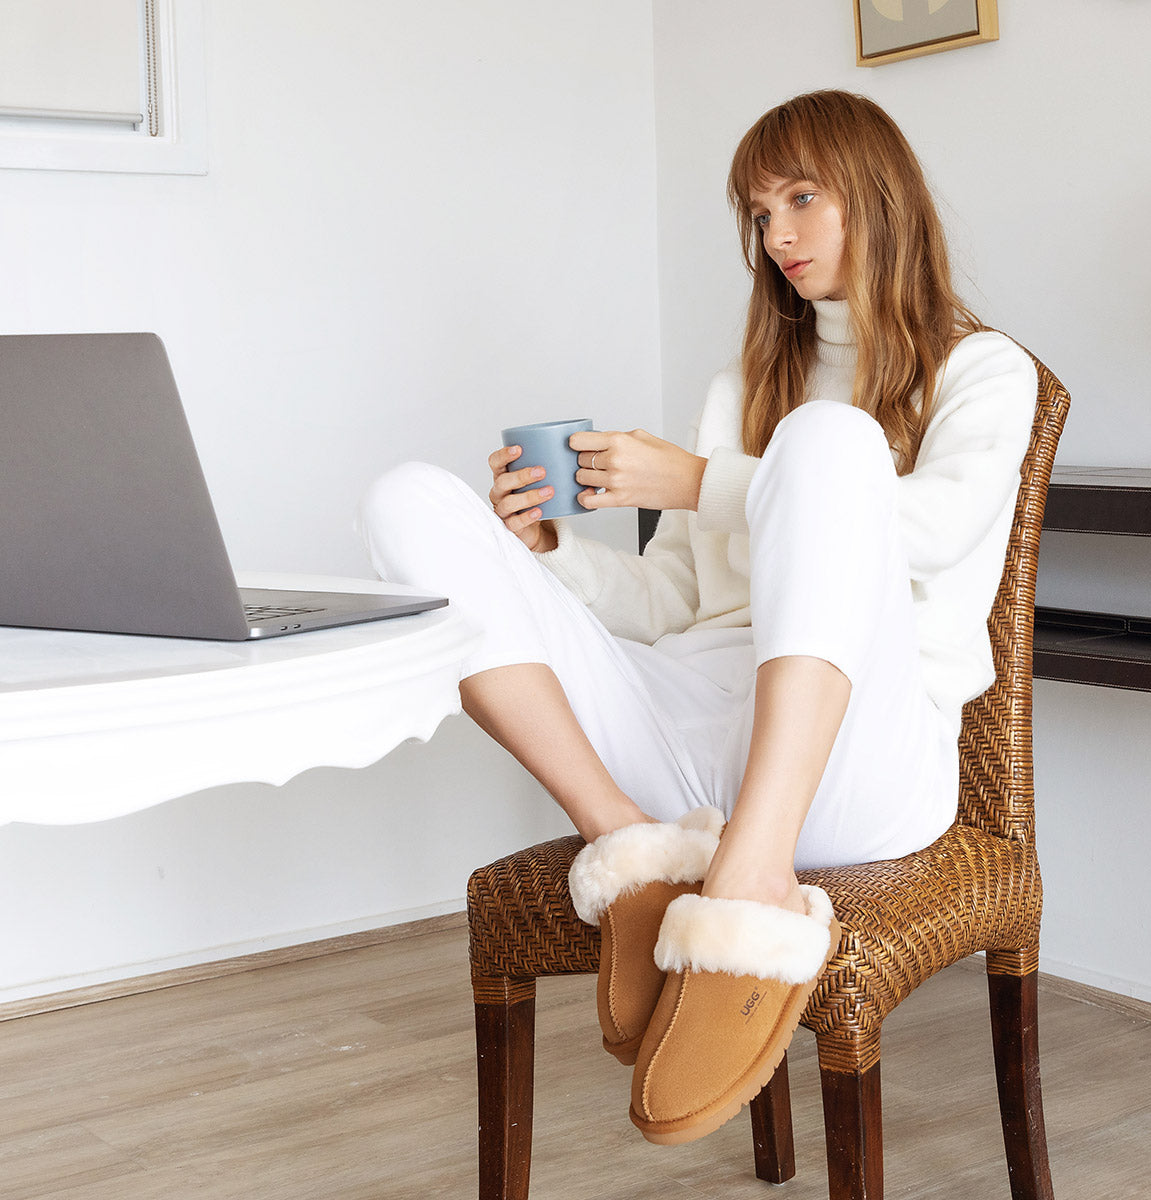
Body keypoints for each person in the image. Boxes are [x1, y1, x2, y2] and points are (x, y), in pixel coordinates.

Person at [358, 89, 1036, 1146]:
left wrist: (707, 482)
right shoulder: (741, 384)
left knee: (828, 442)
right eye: (759, 215)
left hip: (860, 762)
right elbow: (668, 602)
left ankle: (755, 877)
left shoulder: (985, 371)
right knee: (408, 501)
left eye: (802, 199)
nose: (778, 237)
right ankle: (627, 842)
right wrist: (551, 560)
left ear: (880, 195)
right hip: (688, 756)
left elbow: (929, 533)